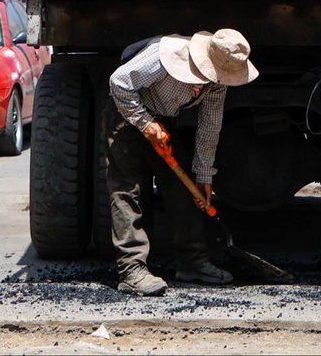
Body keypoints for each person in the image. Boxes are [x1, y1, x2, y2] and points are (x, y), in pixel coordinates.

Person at [107, 28, 259, 296]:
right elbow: (119, 82)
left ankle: (192, 262)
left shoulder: (217, 81)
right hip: (127, 112)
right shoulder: (165, 55)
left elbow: (209, 128)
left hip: (162, 119)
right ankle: (131, 270)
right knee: (127, 188)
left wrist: (203, 176)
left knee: (183, 186)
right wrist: (144, 123)